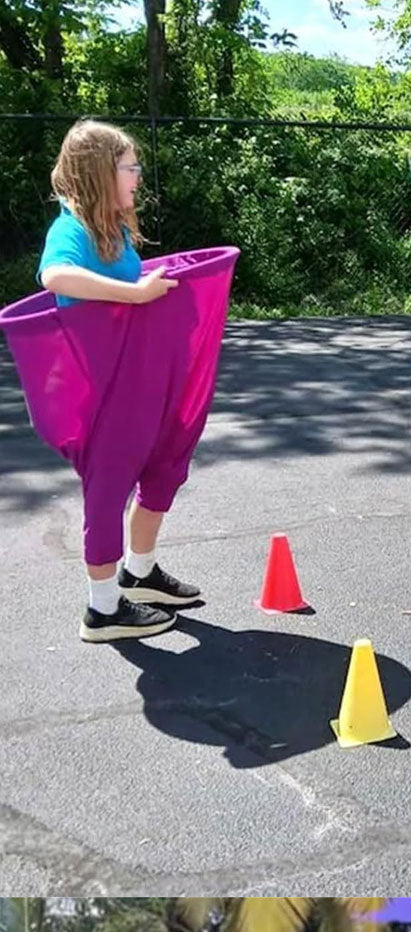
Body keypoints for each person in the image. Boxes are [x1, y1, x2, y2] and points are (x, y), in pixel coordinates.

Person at [37, 119, 203, 641]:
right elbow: (55, 276)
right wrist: (135, 295)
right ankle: (103, 608)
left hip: (137, 379)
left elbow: (125, 283)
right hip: (101, 389)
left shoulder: (113, 228)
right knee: (107, 488)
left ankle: (140, 571)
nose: (137, 176)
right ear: (99, 173)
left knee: (164, 465)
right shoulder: (72, 229)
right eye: (130, 167)